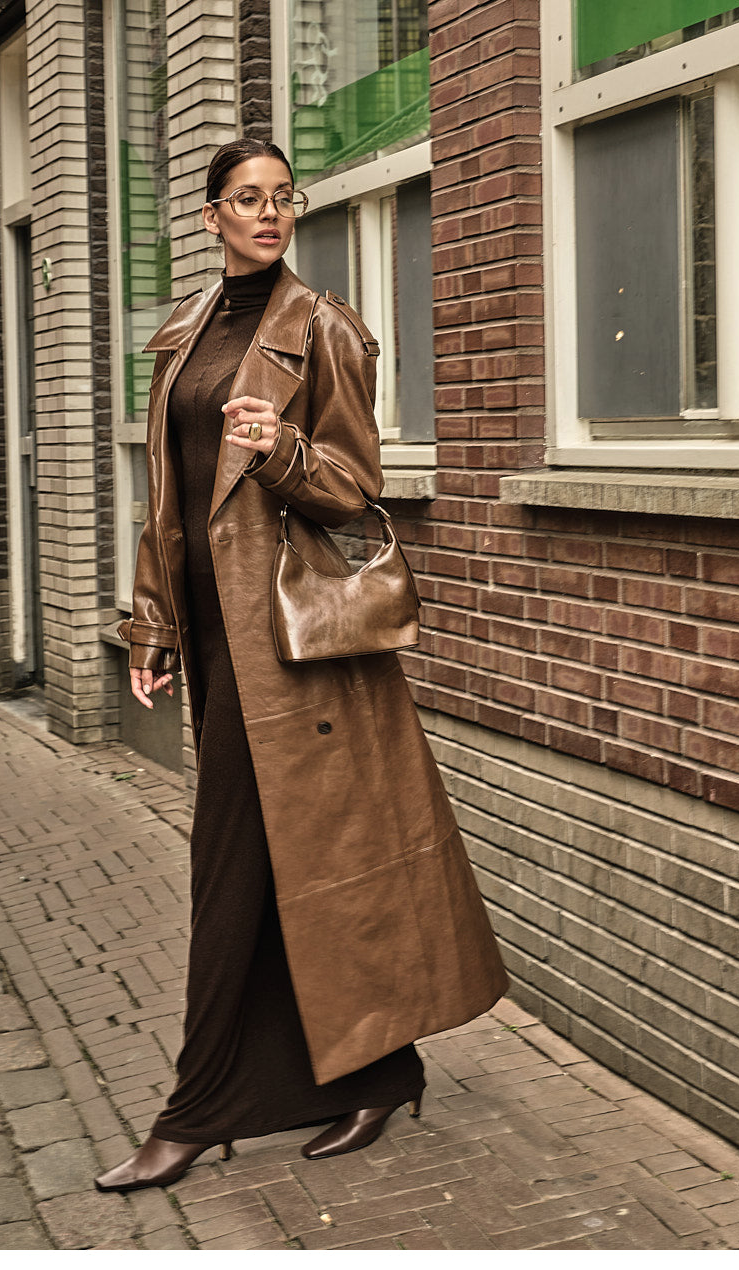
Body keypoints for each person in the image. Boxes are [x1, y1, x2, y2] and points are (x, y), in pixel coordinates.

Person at [95, 139, 508, 1193]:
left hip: (290, 648)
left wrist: (277, 447)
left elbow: (355, 489)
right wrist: (153, 626)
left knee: (231, 867)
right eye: (247, 199)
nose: (269, 213)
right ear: (210, 216)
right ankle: (377, 1073)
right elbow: (167, 500)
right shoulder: (184, 332)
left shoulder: (323, 328)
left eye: (283, 197)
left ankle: (196, 1110)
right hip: (216, 633)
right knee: (286, 860)